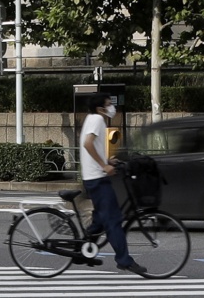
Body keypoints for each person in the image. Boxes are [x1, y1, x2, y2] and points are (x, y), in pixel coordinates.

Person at [78, 93, 148, 277]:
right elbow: (87, 144)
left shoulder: (93, 119)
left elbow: (93, 147)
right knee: (114, 220)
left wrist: (109, 161)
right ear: (100, 108)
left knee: (101, 219)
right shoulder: (97, 120)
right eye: (109, 104)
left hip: (94, 176)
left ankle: (83, 248)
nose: (112, 107)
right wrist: (104, 166)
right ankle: (124, 260)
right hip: (96, 178)